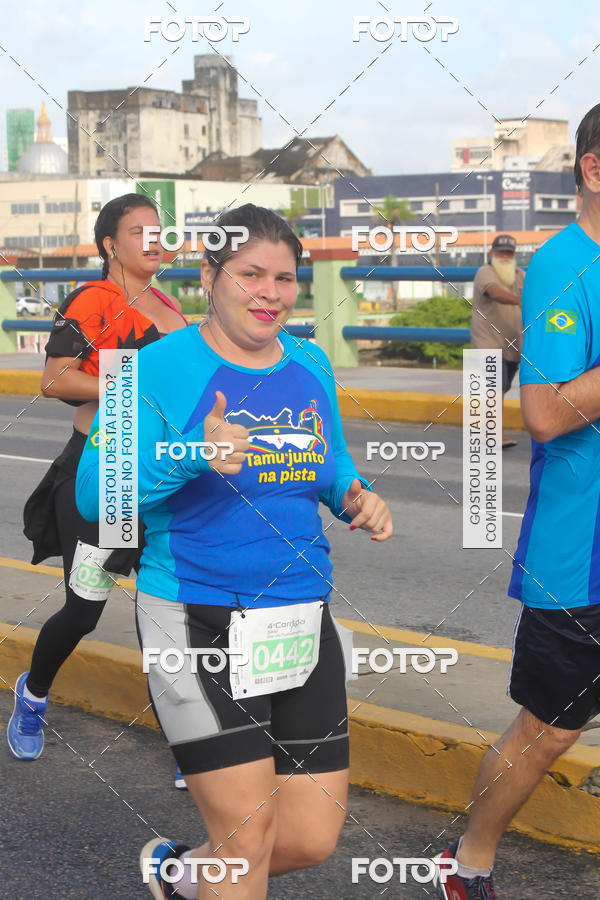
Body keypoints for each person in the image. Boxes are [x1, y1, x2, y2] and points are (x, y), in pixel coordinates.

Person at [76, 203, 393, 899]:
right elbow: (96, 496)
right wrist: (193, 453)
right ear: (209, 273)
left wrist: (355, 494)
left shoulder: (309, 360)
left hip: (300, 619)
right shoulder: (151, 370)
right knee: (245, 842)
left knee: (308, 839)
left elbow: (331, 457)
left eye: (284, 279)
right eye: (251, 274)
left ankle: (179, 874)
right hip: (196, 619)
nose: (270, 293)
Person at [434, 103, 600, 898]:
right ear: (593, 171)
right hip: (583, 551)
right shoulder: (564, 268)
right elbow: (541, 413)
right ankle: (468, 859)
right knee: (549, 730)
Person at [7, 193, 187, 771]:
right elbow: (56, 379)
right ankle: (32, 696)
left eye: (159, 232)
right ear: (111, 245)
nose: (153, 242)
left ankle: (193, 743)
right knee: (84, 611)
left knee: (170, 613)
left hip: (166, 476)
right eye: (139, 232)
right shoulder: (92, 300)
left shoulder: (168, 304)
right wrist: (130, 383)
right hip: (105, 469)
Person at [470, 233, 524, 449]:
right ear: (491, 253)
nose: (504, 256)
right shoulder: (486, 272)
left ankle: (488, 432)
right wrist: (522, 300)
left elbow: (537, 292)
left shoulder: (520, 274)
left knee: (501, 387)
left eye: (509, 253)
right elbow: (495, 293)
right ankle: (493, 434)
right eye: (501, 252)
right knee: (495, 388)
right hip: (488, 340)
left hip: (512, 344)